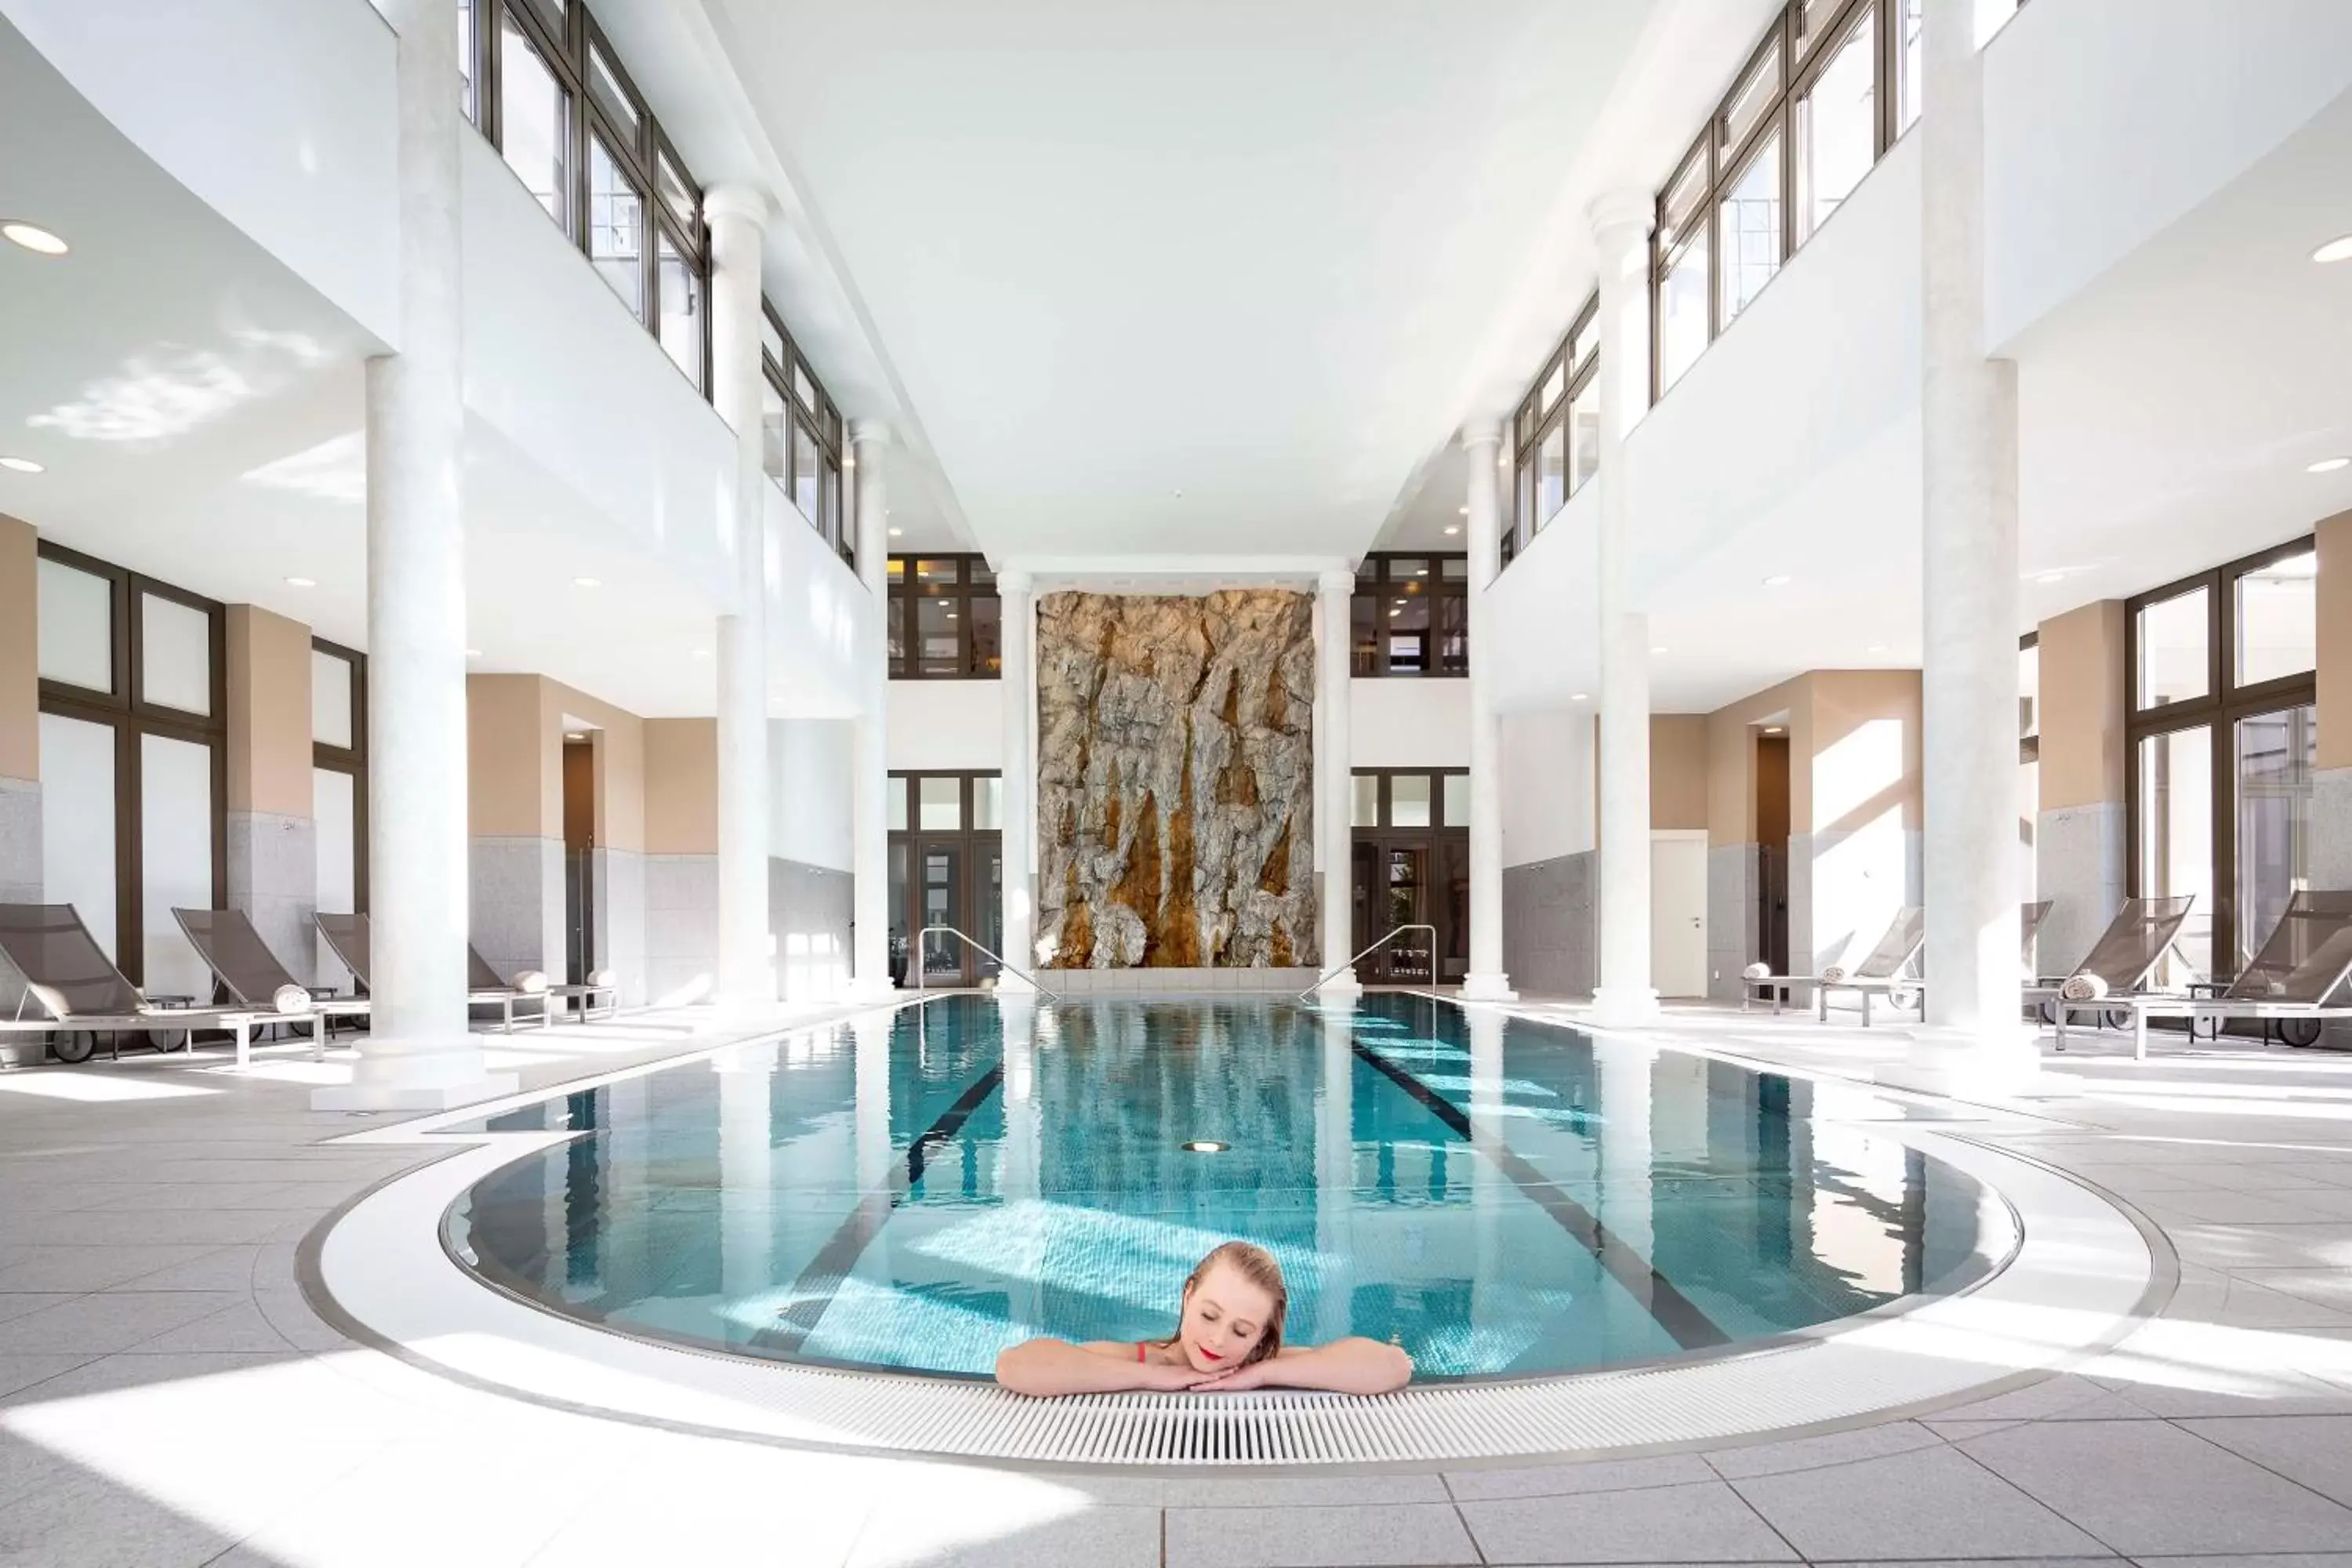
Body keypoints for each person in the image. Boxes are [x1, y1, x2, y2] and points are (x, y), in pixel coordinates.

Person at [993, 1240, 1413, 1398]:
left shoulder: (1267, 1365)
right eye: (1209, 1315)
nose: (1217, 1339)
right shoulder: (1141, 1359)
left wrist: (1260, 1375)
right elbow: (1013, 1366)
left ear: (1262, 1336)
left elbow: (1394, 1366)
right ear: (1188, 1293)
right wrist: (1155, 1378)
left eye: (1242, 1330)